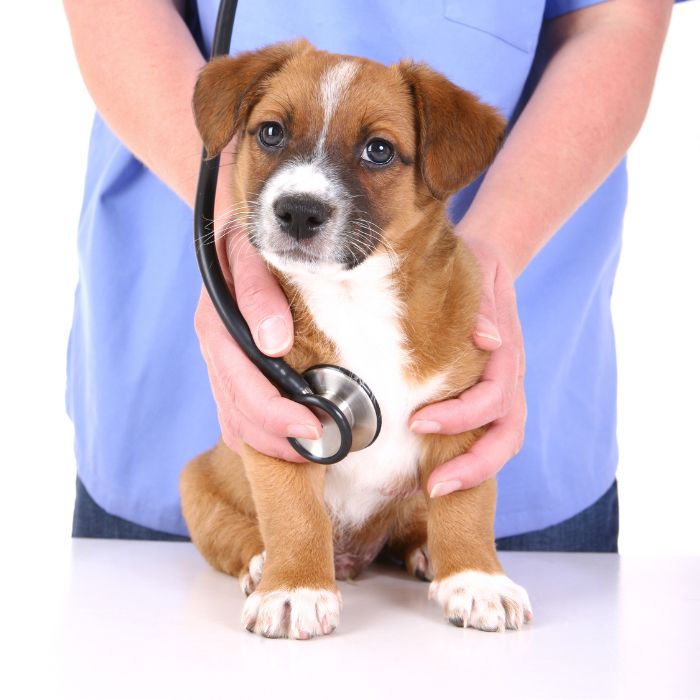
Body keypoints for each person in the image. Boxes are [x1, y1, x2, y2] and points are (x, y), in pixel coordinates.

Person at [63, 0, 678, 549]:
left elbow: (617, 17)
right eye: (273, 133)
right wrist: (228, 221)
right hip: (168, 386)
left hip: (522, 370)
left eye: (378, 150)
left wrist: (485, 257)